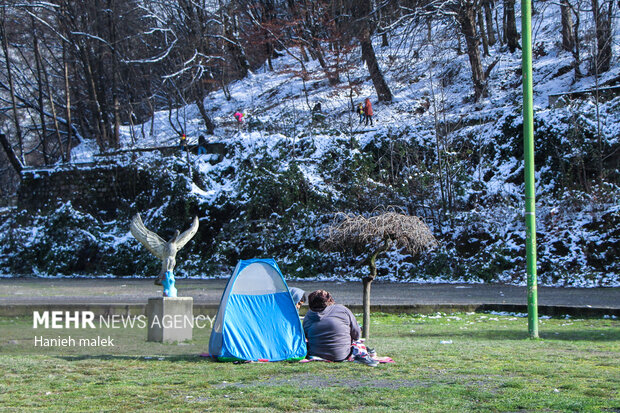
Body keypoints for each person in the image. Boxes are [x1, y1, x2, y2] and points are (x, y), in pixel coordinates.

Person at [303, 289, 378, 366]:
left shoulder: (308, 316)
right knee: (358, 343)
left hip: (316, 353)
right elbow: (356, 335)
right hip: (341, 355)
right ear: (329, 300)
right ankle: (364, 354)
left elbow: (305, 335)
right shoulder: (342, 309)